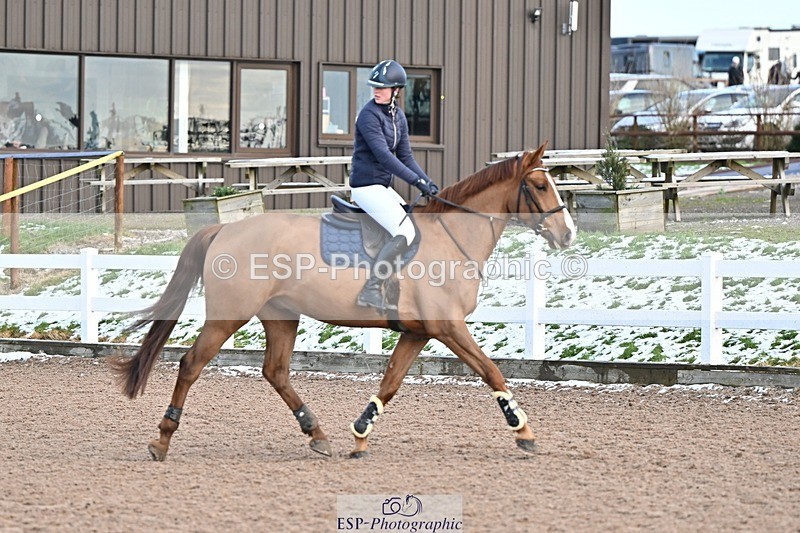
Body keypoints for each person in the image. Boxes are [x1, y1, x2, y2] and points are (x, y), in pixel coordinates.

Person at [349, 59, 439, 310]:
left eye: (382, 87)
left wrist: (427, 182)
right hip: (365, 186)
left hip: (382, 187)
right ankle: (370, 290)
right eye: (374, 87)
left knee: (414, 220)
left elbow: (406, 156)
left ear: (396, 90)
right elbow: (385, 158)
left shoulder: (398, 116)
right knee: (405, 232)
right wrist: (416, 181)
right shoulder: (368, 115)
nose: (376, 91)